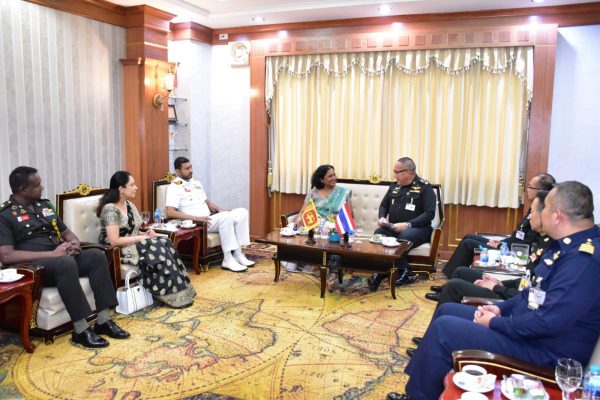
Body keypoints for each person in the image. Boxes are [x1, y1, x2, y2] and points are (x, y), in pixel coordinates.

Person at [386, 181, 600, 400]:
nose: (540, 213)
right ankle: (422, 387)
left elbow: (548, 322)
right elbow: (531, 293)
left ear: (557, 216)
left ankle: (418, 396)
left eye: (545, 208)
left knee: (444, 329)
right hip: (528, 331)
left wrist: (495, 323)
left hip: (544, 352)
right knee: (447, 310)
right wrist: (500, 309)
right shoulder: (566, 247)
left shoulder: (583, 261)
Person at [0, 166, 130, 349]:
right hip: (34, 267)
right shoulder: (5, 215)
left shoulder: (44, 206)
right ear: (22, 190)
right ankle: (81, 330)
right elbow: (6, 256)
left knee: (96, 256)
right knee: (65, 263)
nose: (42, 187)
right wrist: (53, 254)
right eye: (37, 185)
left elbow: (67, 232)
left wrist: (74, 244)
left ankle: (103, 320)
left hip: (59, 257)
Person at [427, 190, 551, 304]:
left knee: (453, 286)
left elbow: (532, 298)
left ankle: (446, 294)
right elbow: (525, 281)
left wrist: (497, 287)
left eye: (533, 213)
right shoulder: (542, 244)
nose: (530, 216)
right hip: (512, 288)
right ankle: (445, 292)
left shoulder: (550, 251)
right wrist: (500, 283)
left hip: (511, 299)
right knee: (460, 271)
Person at [97, 171, 196, 308]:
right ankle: (168, 293)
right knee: (155, 247)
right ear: (121, 189)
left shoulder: (128, 205)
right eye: (132, 185)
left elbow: (133, 230)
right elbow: (114, 241)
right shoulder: (110, 209)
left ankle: (181, 291)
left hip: (132, 242)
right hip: (116, 250)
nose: (136, 187)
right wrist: (141, 238)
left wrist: (146, 233)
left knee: (165, 241)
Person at [441, 173, 556, 278]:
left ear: (541, 191)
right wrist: (502, 242)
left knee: (468, 244)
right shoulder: (533, 208)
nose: (527, 189)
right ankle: (452, 276)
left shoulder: (541, 215)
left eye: (530, 187)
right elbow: (518, 234)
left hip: (514, 252)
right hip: (508, 245)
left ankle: (452, 277)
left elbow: (526, 243)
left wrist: (501, 246)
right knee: (468, 237)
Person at [165, 157, 254, 272]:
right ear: (178, 171)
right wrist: (197, 218)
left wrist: (219, 209)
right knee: (226, 218)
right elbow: (170, 212)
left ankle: (238, 253)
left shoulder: (196, 182)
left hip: (209, 218)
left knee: (242, 212)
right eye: (187, 168)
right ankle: (227, 259)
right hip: (198, 223)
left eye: (191, 167)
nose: (191, 170)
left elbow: (207, 202)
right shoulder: (174, 187)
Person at [368, 157, 436, 290]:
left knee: (405, 236)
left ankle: (383, 271)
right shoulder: (394, 186)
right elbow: (384, 205)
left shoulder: (425, 187)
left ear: (409, 172)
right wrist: (382, 218)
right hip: (394, 227)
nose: (394, 175)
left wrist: (408, 224)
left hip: (419, 229)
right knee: (378, 234)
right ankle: (404, 269)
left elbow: (429, 213)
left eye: (396, 172)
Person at [288, 164, 352, 273]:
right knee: (296, 235)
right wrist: (299, 217)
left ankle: (317, 266)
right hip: (315, 226)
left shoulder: (343, 193)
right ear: (322, 180)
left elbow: (350, 216)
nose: (334, 178)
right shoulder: (313, 192)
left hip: (334, 227)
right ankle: (305, 263)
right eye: (330, 176)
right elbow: (303, 211)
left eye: (334, 175)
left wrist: (336, 217)